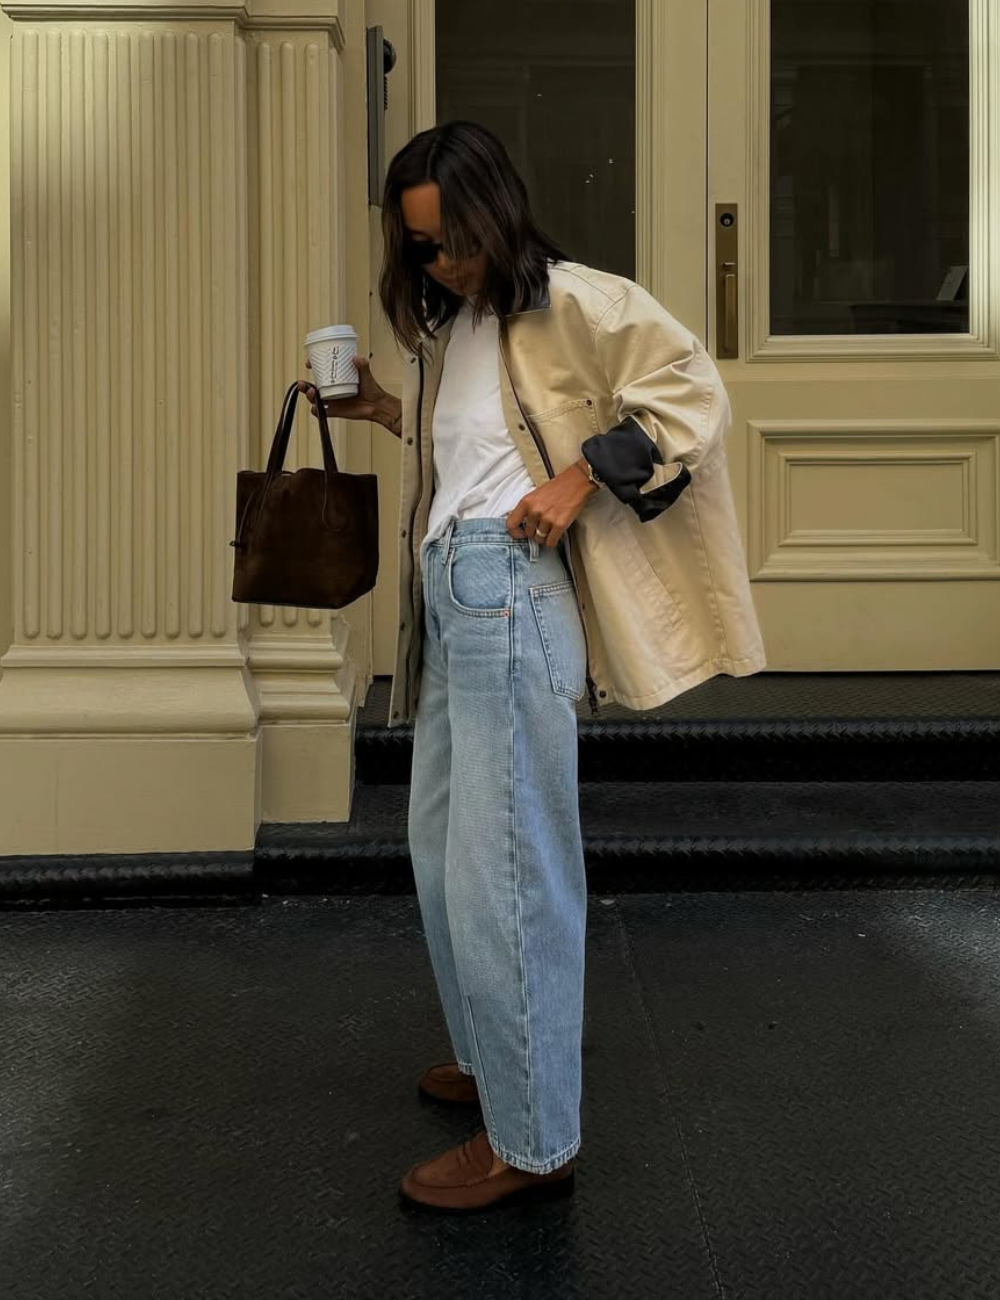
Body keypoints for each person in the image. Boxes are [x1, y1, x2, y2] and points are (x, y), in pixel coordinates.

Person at [299, 120, 766, 1213]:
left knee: (508, 869)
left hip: (505, 588)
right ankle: (495, 1054)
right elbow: (486, 439)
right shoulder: (464, 321)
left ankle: (533, 1136)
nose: (440, 264)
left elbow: (694, 393)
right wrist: (379, 408)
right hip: (455, 599)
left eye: (452, 240)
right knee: (442, 851)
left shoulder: (579, 299)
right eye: (420, 248)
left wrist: (581, 483)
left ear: (494, 212)